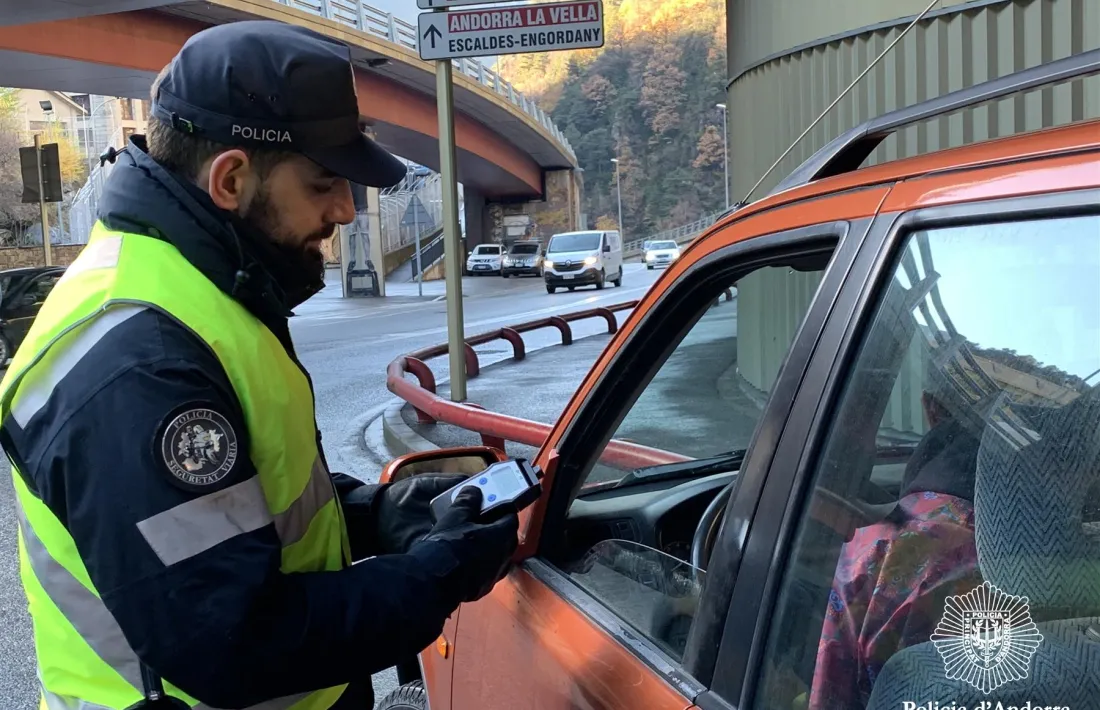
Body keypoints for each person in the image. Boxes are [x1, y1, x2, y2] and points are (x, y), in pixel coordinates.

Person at [0, 20, 519, 710]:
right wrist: (434, 574)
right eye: (324, 182)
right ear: (232, 179)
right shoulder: (135, 360)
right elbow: (232, 640)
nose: (343, 209)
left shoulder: (204, 286)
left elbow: (235, 507)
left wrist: (371, 514)